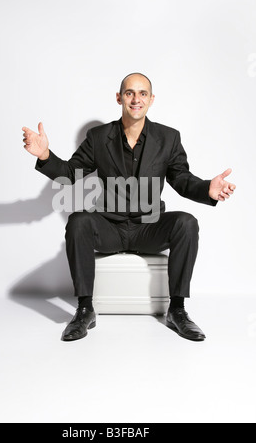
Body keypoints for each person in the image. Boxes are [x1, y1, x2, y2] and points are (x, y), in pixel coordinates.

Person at [22, 73, 235, 342]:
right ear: (119, 97)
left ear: (151, 99)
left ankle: (177, 310)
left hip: (149, 228)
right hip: (109, 227)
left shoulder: (168, 138)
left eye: (143, 93)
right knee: (78, 220)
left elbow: (181, 179)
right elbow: (70, 174)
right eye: (130, 93)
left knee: (186, 221)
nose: (136, 99)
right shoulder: (99, 137)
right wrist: (44, 156)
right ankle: (85, 310)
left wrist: (207, 188)